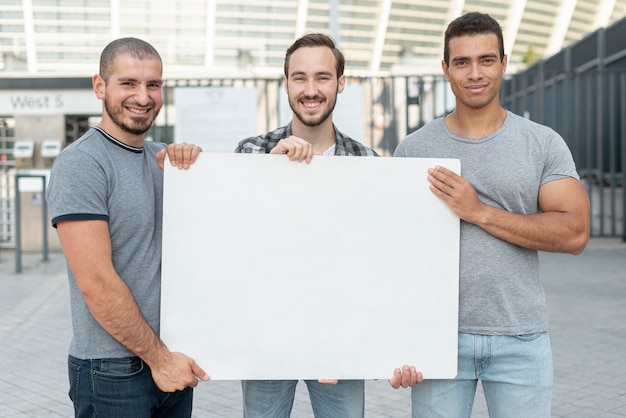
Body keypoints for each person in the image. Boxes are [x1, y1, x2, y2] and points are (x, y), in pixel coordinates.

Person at [394, 12, 590, 418]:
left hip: (521, 338)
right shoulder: (414, 150)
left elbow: (574, 233)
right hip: (438, 339)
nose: (474, 73)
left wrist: (479, 212)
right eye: (462, 62)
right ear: (445, 69)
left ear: (503, 63)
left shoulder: (541, 143)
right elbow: (395, 253)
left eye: (486, 60)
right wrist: (400, 340)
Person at [236, 33, 422, 417]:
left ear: (341, 83)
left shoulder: (368, 163)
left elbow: (381, 259)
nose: (310, 89)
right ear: (285, 83)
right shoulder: (251, 152)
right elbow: (237, 245)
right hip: (267, 336)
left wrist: (379, 343)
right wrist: (267, 173)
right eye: (299, 77)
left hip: (341, 339)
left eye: (322, 77)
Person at [46, 37, 208, 417]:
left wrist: (202, 174)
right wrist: (159, 360)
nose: (143, 95)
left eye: (153, 84)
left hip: (171, 361)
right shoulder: (82, 164)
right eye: (128, 83)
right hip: (113, 370)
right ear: (100, 87)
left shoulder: (163, 159)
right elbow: (97, 282)